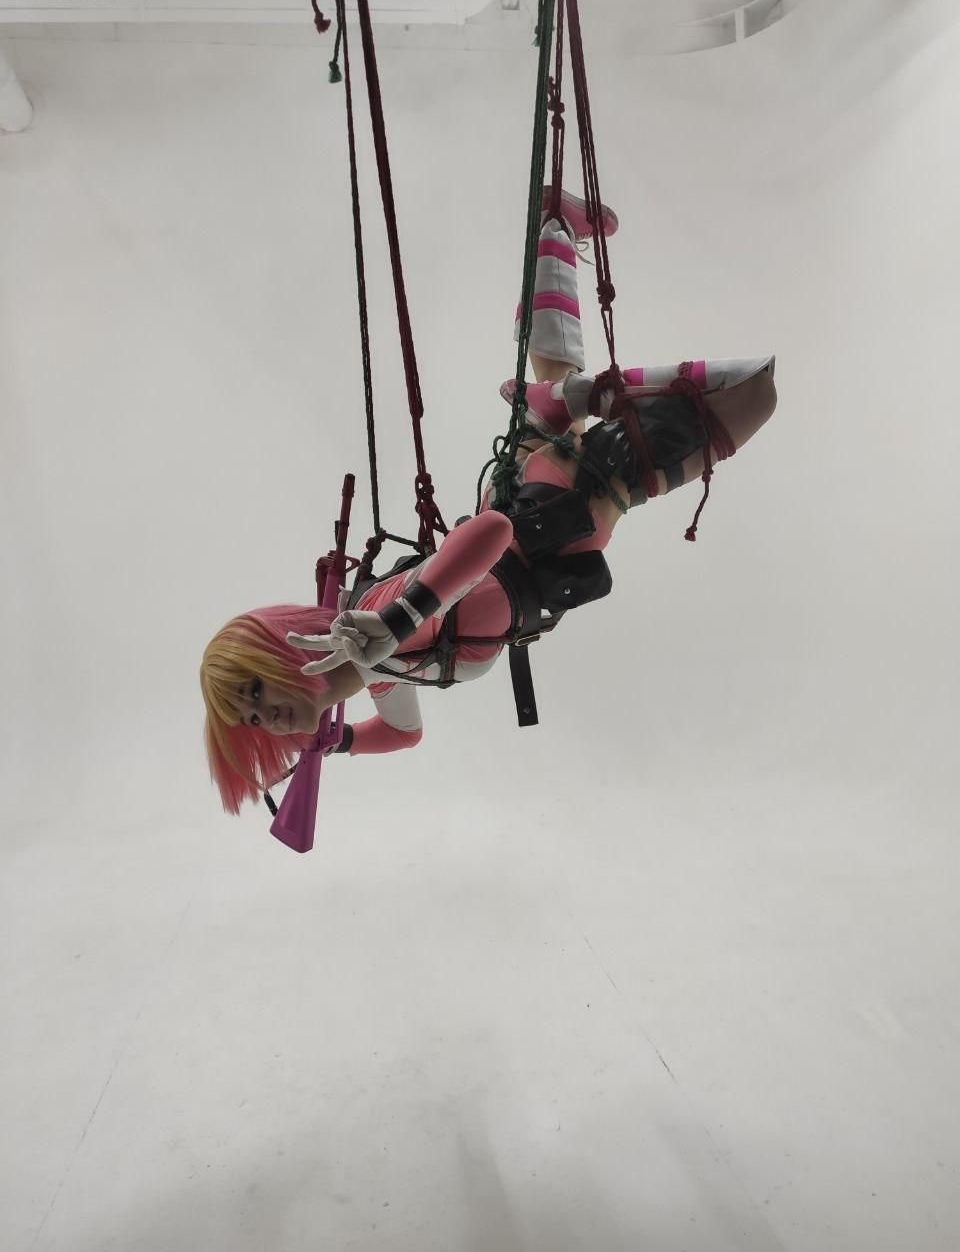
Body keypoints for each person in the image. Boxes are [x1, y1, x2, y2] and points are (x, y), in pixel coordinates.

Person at [199, 189, 777, 813]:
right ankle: (556, 230)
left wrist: (397, 622)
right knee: (556, 361)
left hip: (564, 503)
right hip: (537, 499)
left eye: (254, 691)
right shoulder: (378, 671)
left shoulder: (377, 621)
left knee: (752, 391)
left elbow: (492, 534)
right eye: (251, 719)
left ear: (282, 652)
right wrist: (339, 743)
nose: (266, 717)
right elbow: (404, 734)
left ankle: (577, 399)